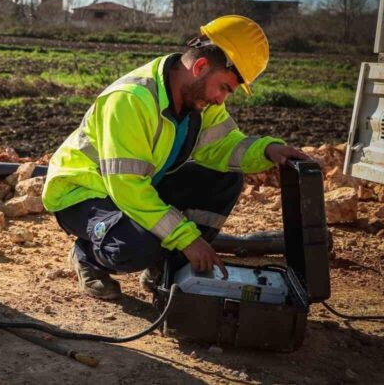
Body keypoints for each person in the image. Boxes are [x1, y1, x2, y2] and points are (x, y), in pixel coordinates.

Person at [41, 15, 309, 300]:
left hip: (134, 187)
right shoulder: (130, 99)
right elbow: (127, 187)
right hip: (81, 194)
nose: (222, 100)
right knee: (137, 246)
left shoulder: (199, 103)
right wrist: (187, 239)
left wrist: (268, 150)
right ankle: (88, 255)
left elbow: (224, 146)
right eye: (224, 88)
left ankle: (165, 267)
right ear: (201, 67)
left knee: (226, 178)